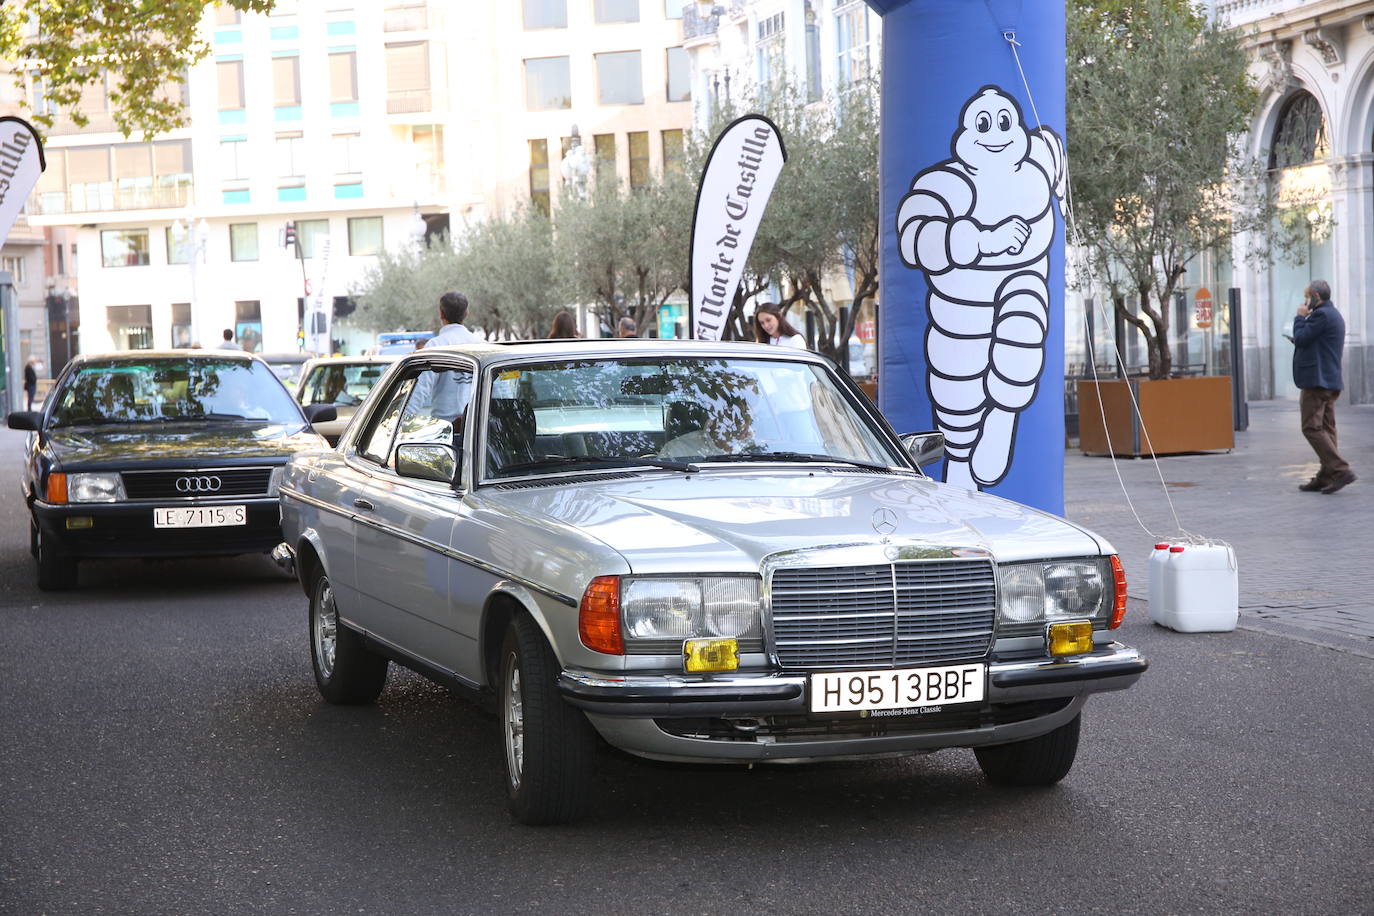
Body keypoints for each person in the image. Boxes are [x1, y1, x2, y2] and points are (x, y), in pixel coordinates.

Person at [1292, 279, 1355, 494]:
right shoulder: (1333, 314)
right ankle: (1327, 474)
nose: (1305, 301)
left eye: (1307, 297)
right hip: (1329, 379)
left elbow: (1301, 338)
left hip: (1317, 381)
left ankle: (1340, 469)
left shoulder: (1320, 315)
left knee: (1311, 427)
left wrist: (1300, 317)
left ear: (1316, 297)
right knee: (1327, 428)